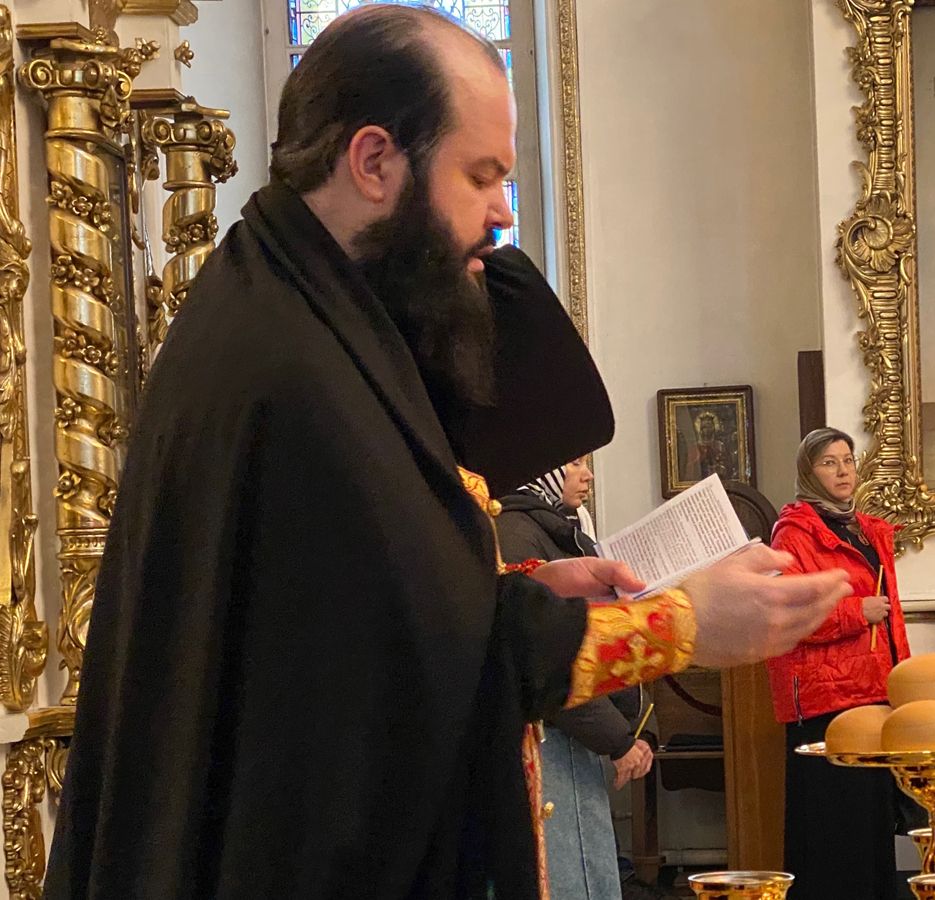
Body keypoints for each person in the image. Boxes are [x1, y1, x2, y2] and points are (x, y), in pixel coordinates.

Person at [43, 7, 852, 899]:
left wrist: (516, 582)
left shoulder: (302, 308)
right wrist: (682, 625)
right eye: (481, 176)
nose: (501, 215)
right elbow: (408, 659)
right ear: (374, 161)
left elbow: (361, 607)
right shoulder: (287, 365)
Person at [766, 427, 912, 900]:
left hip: (873, 692)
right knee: (832, 830)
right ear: (809, 472)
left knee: (871, 828)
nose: (843, 470)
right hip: (824, 701)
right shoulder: (793, 533)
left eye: (847, 460)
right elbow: (788, 612)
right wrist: (855, 613)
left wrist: (904, 682)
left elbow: (891, 619)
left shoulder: (866, 529)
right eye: (829, 462)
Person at [497, 459, 650, 900]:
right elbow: (546, 656)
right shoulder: (516, 529)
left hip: (571, 736)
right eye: (576, 462)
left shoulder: (546, 523)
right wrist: (616, 739)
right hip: (553, 741)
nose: (587, 474)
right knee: (574, 878)